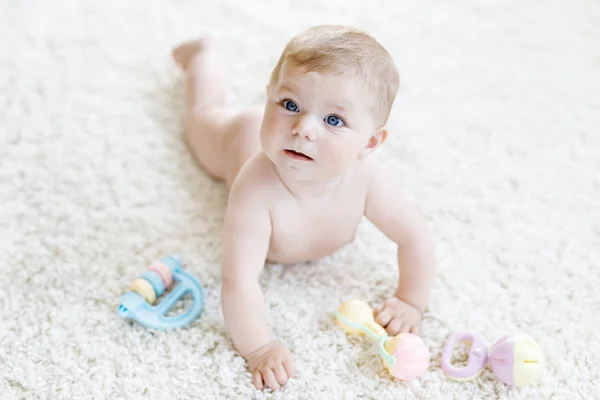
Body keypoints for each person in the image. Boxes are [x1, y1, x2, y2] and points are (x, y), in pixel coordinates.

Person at [172, 25, 436, 391]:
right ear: (270, 98)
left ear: (370, 142)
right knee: (202, 116)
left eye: (333, 120)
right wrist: (260, 347)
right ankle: (202, 55)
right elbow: (238, 281)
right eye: (289, 105)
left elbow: (415, 238)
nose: (303, 128)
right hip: (237, 138)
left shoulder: (368, 179)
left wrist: (411, 300)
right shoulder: (255, 189)